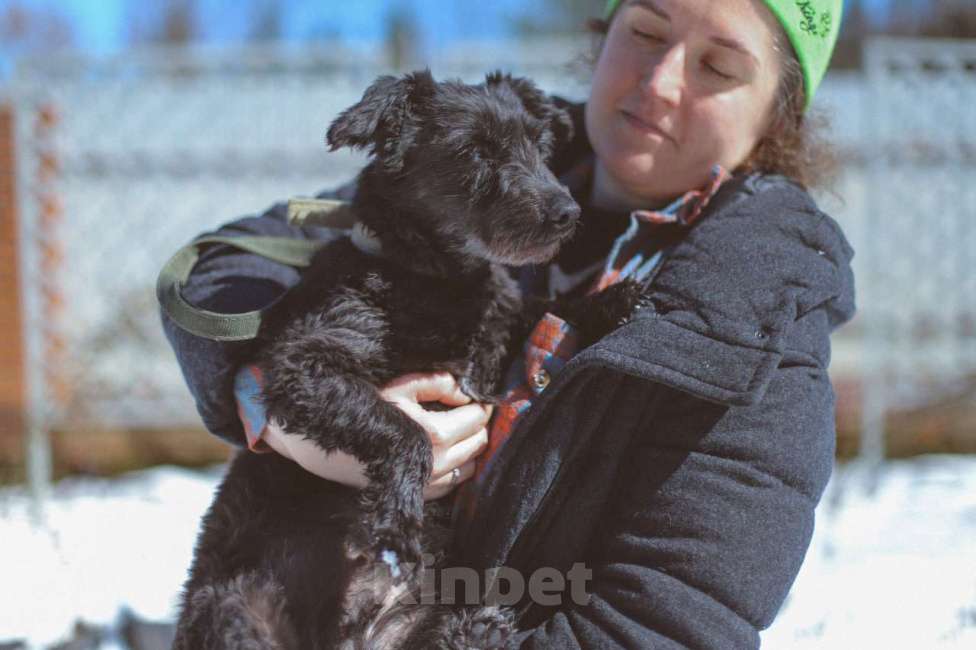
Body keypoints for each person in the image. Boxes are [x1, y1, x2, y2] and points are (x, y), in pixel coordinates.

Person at [161, 0, 855, 647]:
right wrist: (273, 410)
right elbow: (221, 268)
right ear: (602, 34)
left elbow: (671, 619)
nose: (662, 81)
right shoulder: (479, 146)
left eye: (718, 66)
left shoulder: (764, 317)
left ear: (777, 118)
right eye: (646, 31)